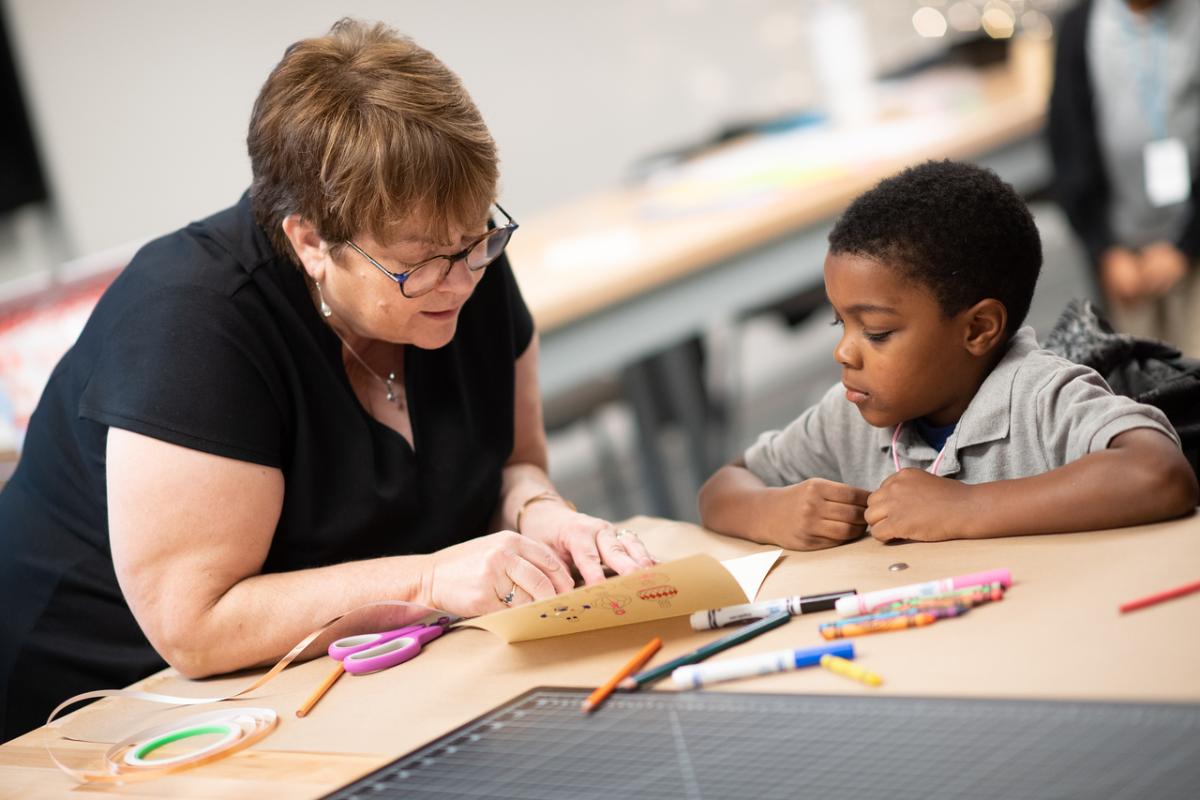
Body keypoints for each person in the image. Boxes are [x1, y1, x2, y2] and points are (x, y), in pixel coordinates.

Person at [0, 19, 655, 741]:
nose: (463, 279)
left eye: (478, 239)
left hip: (317, 681)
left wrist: (541, 514)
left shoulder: (461, 264)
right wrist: (429, 583)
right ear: (309, 239)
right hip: (94, 716)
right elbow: (197, 627)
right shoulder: (194, 327)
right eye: (422, 259)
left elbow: (511, 464)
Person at [698, 160, 1197, 550]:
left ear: (978, 328)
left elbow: (1159, 475)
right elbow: (722, 488)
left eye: (876, 331)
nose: (844, 351)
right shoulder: (847, 415)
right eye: (840, 323)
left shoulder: (1040, 395)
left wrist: (965, 508)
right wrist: (771, 511)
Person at [1048, 0, 1200, 355]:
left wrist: (1185, 245)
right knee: (1146, 378)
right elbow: (1067, 142)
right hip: (1125, 256)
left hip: (1191, 242)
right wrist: (1105, 249)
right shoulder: (1079, 27)